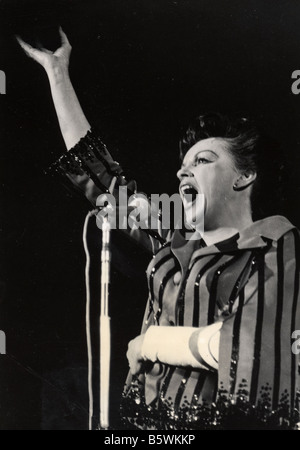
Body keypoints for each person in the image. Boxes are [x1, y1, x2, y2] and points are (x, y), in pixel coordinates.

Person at [16, 28, 300, 430]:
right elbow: (100, 179)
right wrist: (56, 71)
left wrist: (153, 343)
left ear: (245, 176)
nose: (184, 169)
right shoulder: (177, 243)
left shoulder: (276, 242)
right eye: (184, 164)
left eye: (203, 160)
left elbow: (256, 353)